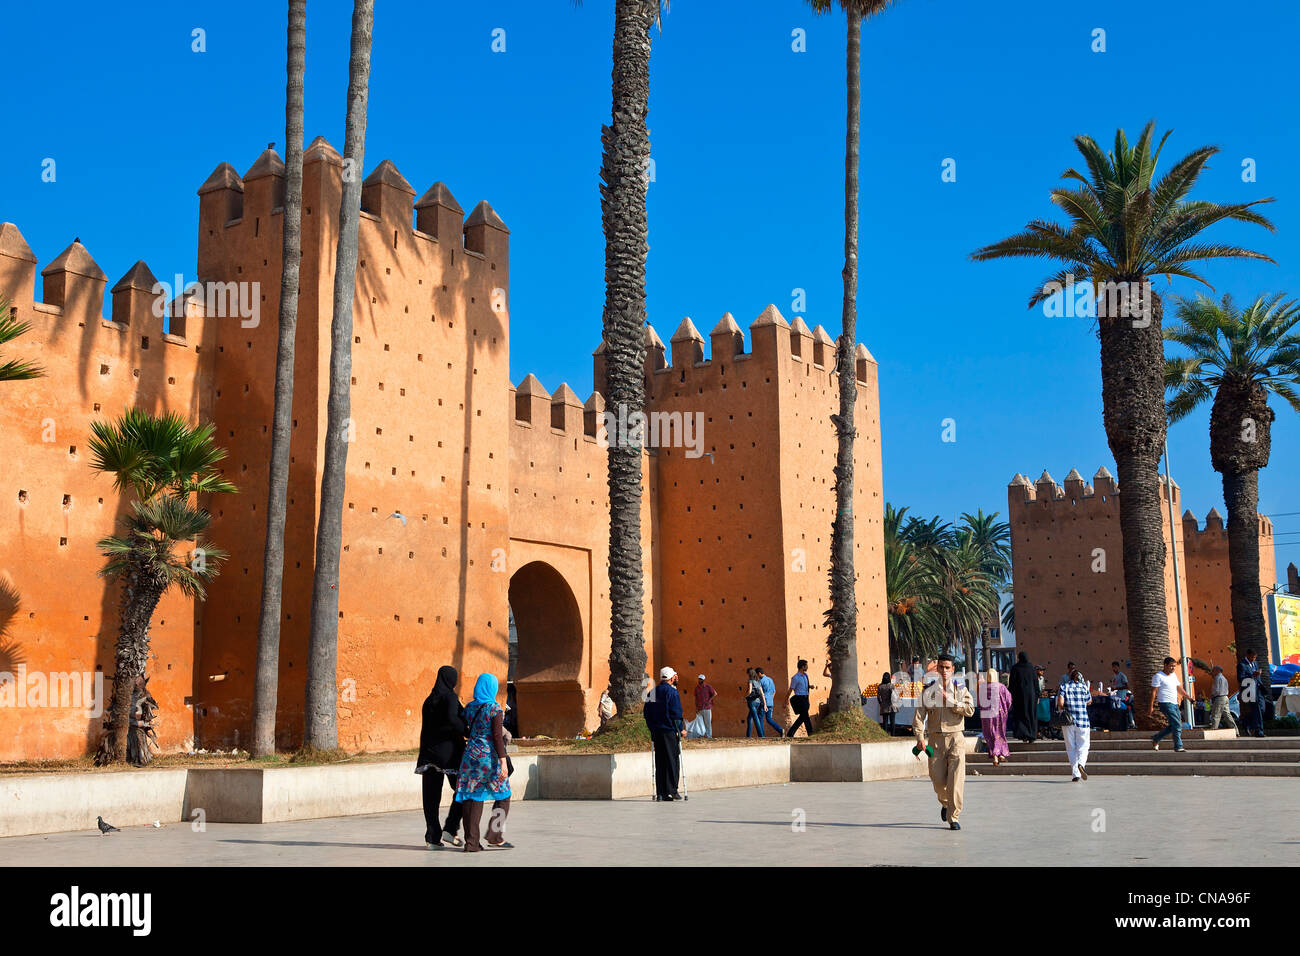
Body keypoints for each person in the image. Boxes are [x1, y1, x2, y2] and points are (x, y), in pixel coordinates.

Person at [913, 654, 974, 830]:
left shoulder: (960, 689)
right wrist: (919, 738)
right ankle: (945, 803)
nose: (945, 671)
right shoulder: (928, 690)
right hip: (935, 740)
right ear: (937, 669)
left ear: (953, 669)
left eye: (948, 667)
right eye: (941, 667)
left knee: (956, 781)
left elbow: (970, 709)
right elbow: (919, 716)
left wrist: (951, 701)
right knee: (938, 780)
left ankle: (953, 817)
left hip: (956, 738)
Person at [454, 673, 513, 851]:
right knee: (504, 795)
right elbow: (496, 737)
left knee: (472, 797)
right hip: (488, 758)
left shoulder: (470, 707)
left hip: (470, 756)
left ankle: (471, 843)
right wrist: (503, 762)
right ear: (492, 688)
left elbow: (465, 729)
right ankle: (495, 835)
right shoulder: (494, 708)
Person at [416, 665, 467, 849]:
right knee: (463, 789)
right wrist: (467, 731)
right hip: (449, 754)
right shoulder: (450, 697)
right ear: (451, 680)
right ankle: (451, 828)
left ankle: (432, 836)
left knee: (431, 798)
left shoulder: (429, 701)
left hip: (428, 755)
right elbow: (455, 719)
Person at [644, 666, 685, 799]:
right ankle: (672, 790)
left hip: (656, 732)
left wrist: (652, 728)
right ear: (672, 678)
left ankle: (661, 792)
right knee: (672, 760)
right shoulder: (672, 693)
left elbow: (646, 713)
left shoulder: (652, 692)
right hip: (669, 731)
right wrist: (681, 729)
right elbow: (676, 714)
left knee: (660, 761)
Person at [1056, 664, 1093, 781]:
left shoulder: (1064, 687)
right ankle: (1081, 763)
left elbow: (1060, 703)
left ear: (1070, 677)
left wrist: (1063, 708)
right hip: (1083, 721)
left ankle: (1075, 774)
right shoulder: (1084, 688)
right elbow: (1089, 701)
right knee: (1084, 746)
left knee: (1071, 747)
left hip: (1068, 722)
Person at [1151, 656, 1193, 752]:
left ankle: (1156, 738)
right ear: (1165, 665)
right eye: (1171, 666)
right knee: (1177, 725)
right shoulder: (1158, 676)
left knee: (1175, 725)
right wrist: (1151, 706)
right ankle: (1178, 746)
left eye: (1174, 666)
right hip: (1165, 703)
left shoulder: (1173, 676)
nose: (1173, 668)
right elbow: (1153, 692)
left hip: (1174, 703)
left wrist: (1189, 698)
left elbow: (1179, 688)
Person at [979, 668, 1011, 765]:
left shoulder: (983, 688)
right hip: (1000, 715)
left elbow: (980, 703)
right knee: (1000, 734)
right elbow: (1009, 700)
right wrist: (1005, 710)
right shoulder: (1002, 687)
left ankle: (995, 756)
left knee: (990, 734)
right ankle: (1001, 754)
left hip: (987, 716)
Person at [1007, 651, 1039, 744]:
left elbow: (1012, 684)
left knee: (1021, 715)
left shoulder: (1015, 668)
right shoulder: (1031, 668)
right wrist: (1037, 695)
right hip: (1031, 697)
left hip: (1019, 697)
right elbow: (1036, 683)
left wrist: (1011, 695)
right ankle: (1032, 735)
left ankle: (1023, 734)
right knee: (1031, 715)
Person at [1237, 650, 1266, 738]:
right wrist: (1252, 675)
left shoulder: (1255, 663)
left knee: (1262, 708)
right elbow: (1240, 678)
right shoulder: (1241, 665)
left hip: (1258, 689)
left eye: (1255, 657)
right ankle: (1259, 731)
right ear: (1247, 655)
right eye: (1252, 657)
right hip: (1249, 690)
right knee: (1256, 709)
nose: (1253, 659)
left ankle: (1246, 722)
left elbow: (1258, 677)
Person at [786, 659, 814, 738]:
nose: (807, 667)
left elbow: (803, 686)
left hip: (806, 698)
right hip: (800, 699)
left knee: (802, 717)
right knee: (806, 717)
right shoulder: (795, 678)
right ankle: (811, 733)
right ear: (802, 667)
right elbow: (791, 689)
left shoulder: (806, 675)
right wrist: (785, 701)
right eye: (806, 665)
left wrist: (810, 686)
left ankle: (790, 733)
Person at [755, 667, 785, 737]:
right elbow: (774, 691)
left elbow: (760, 693)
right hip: (770, 703)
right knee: (769, 719)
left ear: (759, 673)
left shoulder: (760, 681)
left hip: (763, 703)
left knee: (760, 719)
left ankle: (761, 736)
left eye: (756, 674)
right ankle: (780, 730)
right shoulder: (770, 679)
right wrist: (770, 700)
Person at [1111, 660, 1135, 729]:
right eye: (1113, 667)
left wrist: (1117, 688)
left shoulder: (1122, 676)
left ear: (1118, 667)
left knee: (1124, 710)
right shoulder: (1115, 676)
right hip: (1116, 696)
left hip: (1122, 696)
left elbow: (1127, 686)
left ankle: (1130, 723)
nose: (1114, 668)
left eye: (1115, 667)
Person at [744, 668, 766, 737]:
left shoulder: (750, 681)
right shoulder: (758, 681)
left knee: (755, 717)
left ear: (749, 674)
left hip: (751, 701)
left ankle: (761, 735)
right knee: (749, 718)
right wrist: (765, 704)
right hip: (758, 702)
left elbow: (749, 691)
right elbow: (762, 693)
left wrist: (745, 697)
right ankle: (748, 736)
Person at [693, 674, 717, 739]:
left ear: (704, 680)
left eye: (701, 679)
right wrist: (696, 707)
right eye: (699, 679)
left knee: (708, 723)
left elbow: (715, 693)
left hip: (707, 708)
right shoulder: (696, 688)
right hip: (700, 708)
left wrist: (709, 700)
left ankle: (709, 736)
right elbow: (696, 698)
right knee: (700, 723)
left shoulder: (708, 687)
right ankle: (701, 735)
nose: (699, 680)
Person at [877, 671, 898, 736]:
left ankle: (885, 735)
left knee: (885, 722)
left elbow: (878, 697)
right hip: (892, 706)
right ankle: (893, 734)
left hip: (884, 706)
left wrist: (881, 704)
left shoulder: (880, 686)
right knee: (892, 721)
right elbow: (896, 695)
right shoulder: (892, 686)